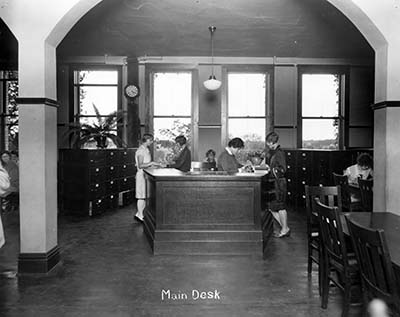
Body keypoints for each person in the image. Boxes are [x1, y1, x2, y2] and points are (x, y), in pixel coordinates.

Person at [264, 132, 290, 238]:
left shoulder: (279, 153)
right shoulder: (273, 152)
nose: (268, 145)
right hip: (275, 183)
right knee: (272, 207)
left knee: (280, 206)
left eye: (269, 143)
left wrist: (272, 170)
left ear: (273, 142)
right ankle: (285, 227)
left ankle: (284, 229)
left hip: (279, 183)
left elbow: (283, 168)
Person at [134, 134, 161, 223]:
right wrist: (152, 163)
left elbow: (146, 164)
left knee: (144, 196)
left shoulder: (146, 150)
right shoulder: (141, 151)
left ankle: (139, 214)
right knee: (141, 196)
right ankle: (140, 215)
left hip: (145, 175)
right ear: (147, 140)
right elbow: (140, 165)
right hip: (141, 175)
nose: (152, 142)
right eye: (151, 140)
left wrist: (154, 166)